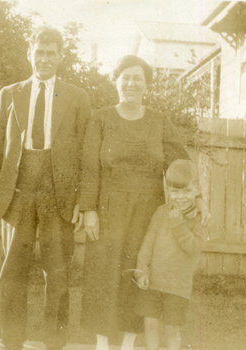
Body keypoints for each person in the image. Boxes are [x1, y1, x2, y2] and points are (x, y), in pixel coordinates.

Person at [78, 55, 208, 350]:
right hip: (107, 210)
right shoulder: (100, 118)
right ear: (116, 81)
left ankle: (127, 343)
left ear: (146, 84)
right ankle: (101, 343)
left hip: (146, 210)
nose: (131, 83)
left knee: (137, 272)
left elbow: (181, 163)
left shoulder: (159, 122)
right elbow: (89, 167)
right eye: (125, 76)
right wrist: (88, 210)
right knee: (103, 274)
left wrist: (198, 197)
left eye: (138, 78)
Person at [0, 26, 92, 350]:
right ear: (30, 54)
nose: (44, 59)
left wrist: (83, 201)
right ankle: (12, 343)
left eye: (51, 53)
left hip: (60, 192)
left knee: (58, 274)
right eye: (39, 52)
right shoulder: (10, 93)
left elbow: (87, 152)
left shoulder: (77, 96)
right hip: (18, 189)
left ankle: (54, 344)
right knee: (13, 271)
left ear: (60, 57)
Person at [134, 159, 206, 350]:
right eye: (175, 192)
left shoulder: (199, 218)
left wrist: (179, 225)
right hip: (154, 283)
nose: (180, 197)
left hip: (178, 287)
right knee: (150, 324)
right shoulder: (160, 212)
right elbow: (147, 244)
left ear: (197, 190)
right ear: (168, 191)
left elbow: (194, 248)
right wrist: (141, 271)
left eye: (186, 191)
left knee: (172, 328)